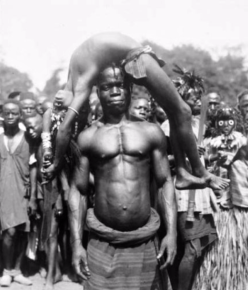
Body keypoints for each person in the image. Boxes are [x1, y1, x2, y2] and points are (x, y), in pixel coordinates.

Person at [68, 64, 179, 290]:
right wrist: (77, 244)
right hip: (103, 242)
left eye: (120, 85)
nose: (114, 90)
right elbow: (78, 191)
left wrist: (172, 234)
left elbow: (165, 182)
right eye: (107, 86)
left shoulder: (151, 132)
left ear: (130, 89)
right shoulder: (88, 137)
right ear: (97, 92)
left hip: (145, 240)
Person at [43, 32, 228, 191]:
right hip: (135, 58)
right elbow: (66, 127)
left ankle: (183, 172)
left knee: (177, 112)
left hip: (136, 57)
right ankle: (199, 171)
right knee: (183, 111)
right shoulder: (78, 77)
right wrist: (57, 164)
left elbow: (65, 127)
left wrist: (56, 162)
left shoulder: (77, 79)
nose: (80, 109)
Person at [171, 68, 218, 290]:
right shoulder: (169, 124)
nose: (191, 97)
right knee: (185, 248)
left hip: (200, 193)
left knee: (196, 247)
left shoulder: (200, 125)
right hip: (179, 194)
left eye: (195, 94)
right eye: (185, 93)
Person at [190, 109, 248, 290]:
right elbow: (202, 165)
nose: (226, 124)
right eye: (222, 121)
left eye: (229, 120)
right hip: (216, 194)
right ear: (217, 123)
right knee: (215, 244)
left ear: (235, 121)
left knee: (236, 245)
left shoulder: (242, 139)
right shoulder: (208, 142)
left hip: (237, 195)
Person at [0, 100, 34, 287]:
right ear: (2, 115)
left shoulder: (29, 137)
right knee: (9, 231)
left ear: (20, 115)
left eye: (14, 113)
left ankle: (17, 271)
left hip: (24, 190)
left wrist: (34, 196)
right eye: (7, 113)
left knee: (22, 231)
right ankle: (6, 270)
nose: (11, 116)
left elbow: (35, 168)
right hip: (4, 190)